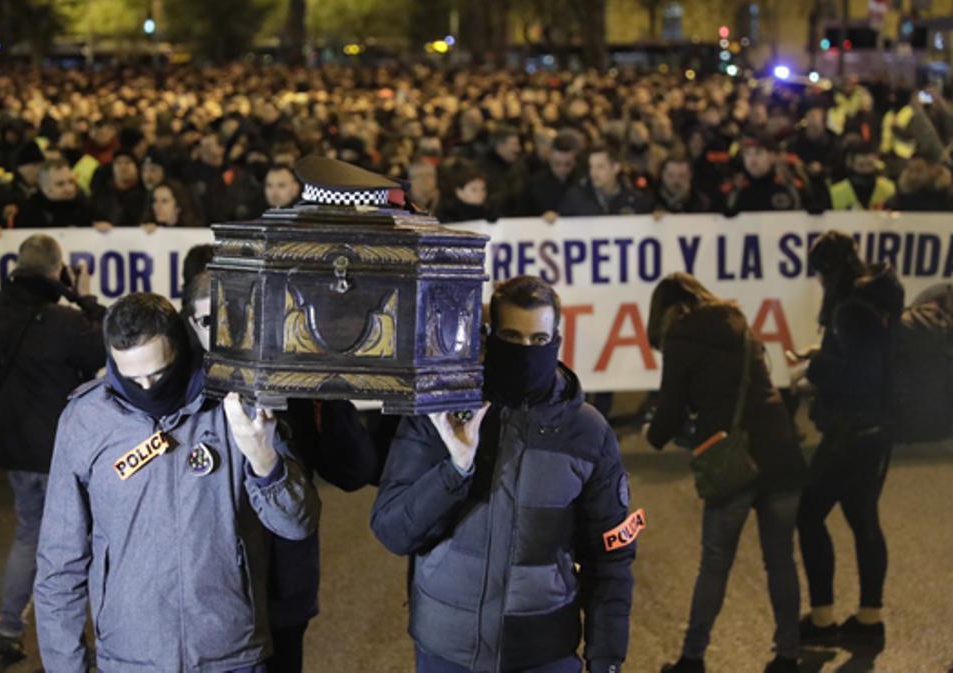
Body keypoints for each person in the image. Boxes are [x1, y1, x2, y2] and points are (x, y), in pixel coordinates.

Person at [34, 293, 320, 673]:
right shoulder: (85, 420)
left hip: (231, 652)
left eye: (159, 374)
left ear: (181, 350)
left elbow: (297, 524)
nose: (148, 388)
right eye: (132, 379)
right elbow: (59, 562)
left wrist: (265, 460)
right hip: (130, 656)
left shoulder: (235, 405)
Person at [371, 275, 636, 673]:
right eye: (511, 339)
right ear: (490, 336)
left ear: (557, 340)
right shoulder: (440, 414)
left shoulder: (588, 432)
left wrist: (606, 660)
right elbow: (393, 530)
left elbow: (611, 559)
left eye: (538, 341)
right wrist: (455, 469)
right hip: (447, 651)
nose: (526, 351)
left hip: (544, 654)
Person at [182, 271, 380, 673]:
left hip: (283, 580)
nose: (223, 334)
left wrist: (330, 382)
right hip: (212, 591)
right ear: (191, 324)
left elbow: (354, 470)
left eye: (233, 318)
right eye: (208, 322)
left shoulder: (291, 377)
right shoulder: (176, 390)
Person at [644, 273, 805, 673]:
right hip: (780, 449)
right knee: (781, 561)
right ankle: (787, 655)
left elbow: (670, 407)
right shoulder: (738, 323)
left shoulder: (681, 336)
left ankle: (693, 658)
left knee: (715, 564)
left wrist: (655, 434)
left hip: (731, 459)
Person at [0, 234, 106, 662]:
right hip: (60, 451)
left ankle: (10, 627)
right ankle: (89, 638)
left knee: (29, 535)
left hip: (14, 446)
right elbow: (107, 342)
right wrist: (81, 298)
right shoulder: (64, 320)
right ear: (57, 270)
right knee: (79, 545)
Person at [791, 232, 903, 650]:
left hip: (852, 430)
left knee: (808, 512)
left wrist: (814, 367)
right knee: (862, 518)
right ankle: (868, 620)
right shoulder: (874, 297)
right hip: (878, 428)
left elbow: (857, 373)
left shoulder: (851, 309)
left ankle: (823, 619)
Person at [720, 134, 820, 214]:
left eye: (758, 153)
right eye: (747, 153)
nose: (752, 159)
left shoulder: (789, 186)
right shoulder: (734, 190)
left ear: (772, 156)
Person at [559, 145, 652, 217]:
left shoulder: (635, 200)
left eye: (600, 167)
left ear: (615, 168)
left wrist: (659, 220)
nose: (594, 173)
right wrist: (552, 220)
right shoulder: (575, 198)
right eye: (591, 167)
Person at [12, 158, 94, 228]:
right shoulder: (28, 211)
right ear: (45, 188)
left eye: (71, 181)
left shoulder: (85, 206)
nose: (68, 188)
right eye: (60, 184)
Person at [525, 135, 580, 222]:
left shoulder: (583, 182)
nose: (562, 169)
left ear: (575, 161)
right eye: (557, 164)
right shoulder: (535, 183)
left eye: (567, 164)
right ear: (550, 158)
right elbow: (525, 214)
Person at [89, 149, 148, 229]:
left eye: (128, 162)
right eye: (118, 163)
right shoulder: (101, 195)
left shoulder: (146, 194)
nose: (123, 166)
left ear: (137, 168)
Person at [828, 142, 895, 211]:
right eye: (861, 165)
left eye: (870, 165)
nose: (866, 170)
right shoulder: (836, 192)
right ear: (851, 165)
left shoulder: (889, 189)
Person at [478, 125, 528, 216]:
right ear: (500, 146)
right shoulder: (481, 169)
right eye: (514, 144)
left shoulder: (519, 165)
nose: (518, 149)